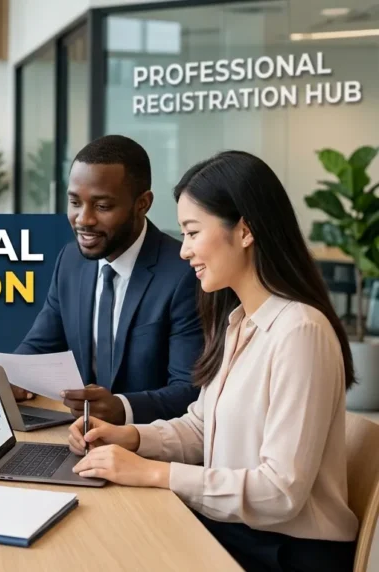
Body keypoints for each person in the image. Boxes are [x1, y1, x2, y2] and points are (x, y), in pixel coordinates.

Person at [69, 150, 359, 571]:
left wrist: (155, 474)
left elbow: (280, 492)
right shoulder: (239, 322)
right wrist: (129, 438)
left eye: (192, 232)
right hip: (237, 530)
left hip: (282, 552)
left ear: (244, 231)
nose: (184, 251)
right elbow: (203, 428)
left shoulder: (300, 331)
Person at [14, 135, 201, 424]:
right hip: (79, 436)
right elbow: (39, 346)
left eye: (102, 206)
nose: (83, 219)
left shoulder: (185, 273)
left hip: (150, 450)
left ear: (143, 204)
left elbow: (190, 392)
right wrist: (11, 378)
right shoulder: (70, 261)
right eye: (75, 202)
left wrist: (121, 407)